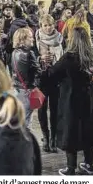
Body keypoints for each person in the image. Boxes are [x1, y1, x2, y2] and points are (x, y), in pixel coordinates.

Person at [42, 27, 93, 175]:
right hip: (88, 97)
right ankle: (89, 164)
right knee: (87, 128)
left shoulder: (68, 58)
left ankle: (70, 167)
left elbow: (53, 74)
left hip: (71, 98)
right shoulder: (91, 56)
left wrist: (47, 65)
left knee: (71, 129)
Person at [35, 14, 64, 153]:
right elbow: (30, 58)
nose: (48, 28)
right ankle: (45, 137)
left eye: (50, 25)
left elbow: (64, 57)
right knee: (41, 109)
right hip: (41, 78)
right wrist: (40, 57)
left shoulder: (60, 38)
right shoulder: (36, 38)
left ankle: (54, 138)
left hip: (56, 77)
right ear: (41, 26)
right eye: (45, 25)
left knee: (55, 109)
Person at [11, 28, 41, 127]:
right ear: (22, 40)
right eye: (30, 37)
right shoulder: (29, 53)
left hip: (17, 89)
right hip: (27, 90)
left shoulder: (14, 52)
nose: (33, 39)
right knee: (26, 121)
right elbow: (38, 72)